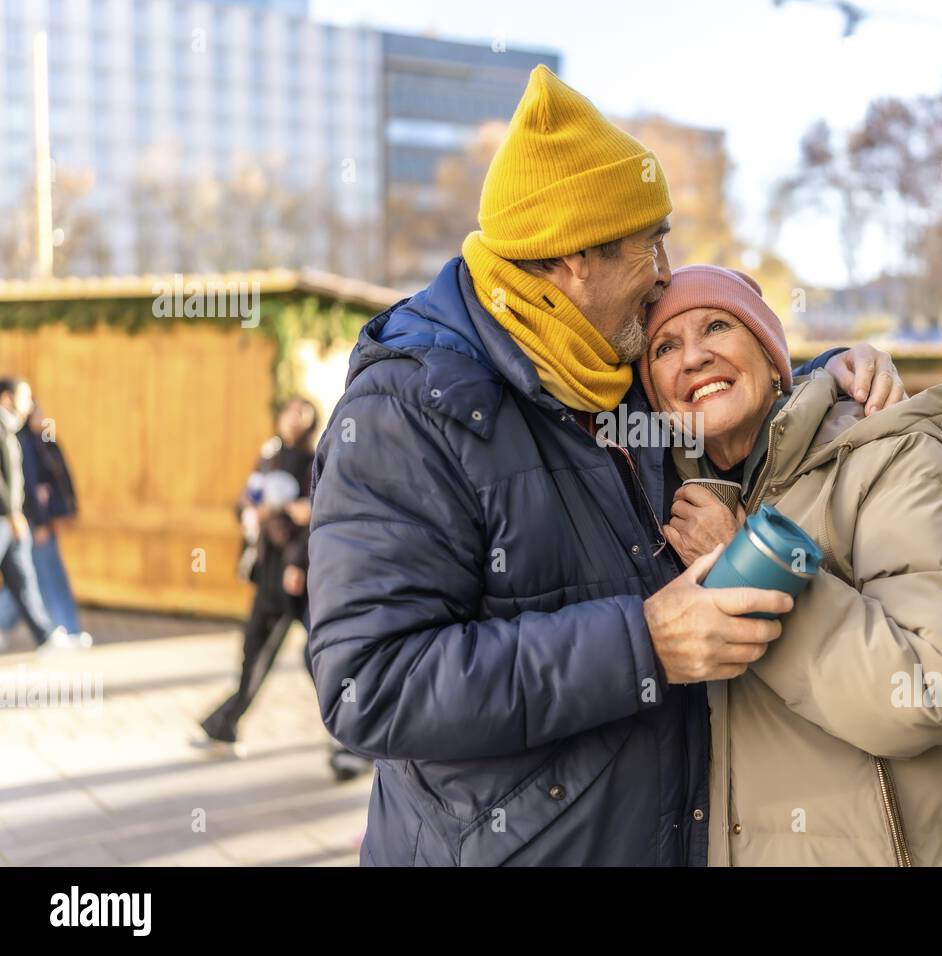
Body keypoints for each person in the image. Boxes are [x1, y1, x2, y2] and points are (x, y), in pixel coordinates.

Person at [306, 67, 908, 867]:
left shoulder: (610, 367)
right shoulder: (410, 409)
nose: (666, 269)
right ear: (573, 262)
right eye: (649, 242)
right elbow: (369, 683)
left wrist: (834, 376)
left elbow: (728, 389)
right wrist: (643, 645)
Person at [641, 265, 942, 866]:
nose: (694, 357)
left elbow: (934, 688)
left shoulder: (889, 456)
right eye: (665, 346)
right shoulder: (660, 506)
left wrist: (748, 567)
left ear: (772, 360)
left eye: (717, 325)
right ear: (654, 396)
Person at [195, 396, 320, 755]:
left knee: (319, 656)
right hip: (269, 569)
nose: (294, 419)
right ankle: (223, 726)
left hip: (298, 574)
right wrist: (250, 510)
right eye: (290, 411)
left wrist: (297, 561)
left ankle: (355, 736)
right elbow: (245, 503)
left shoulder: (314, 461)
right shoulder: (269, 457)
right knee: (255, 647)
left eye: (303, 414)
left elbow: (313, 517)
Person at [0, 378, 84, 652]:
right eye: (26, 401)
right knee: (30, 577)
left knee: (23, 578)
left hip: (16, 519)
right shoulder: (12, 433)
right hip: (13, 518)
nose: (30, 409)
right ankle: (58, 631)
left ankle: (48, 636)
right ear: (7, 398)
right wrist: (16, 513)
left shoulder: (19, 433)